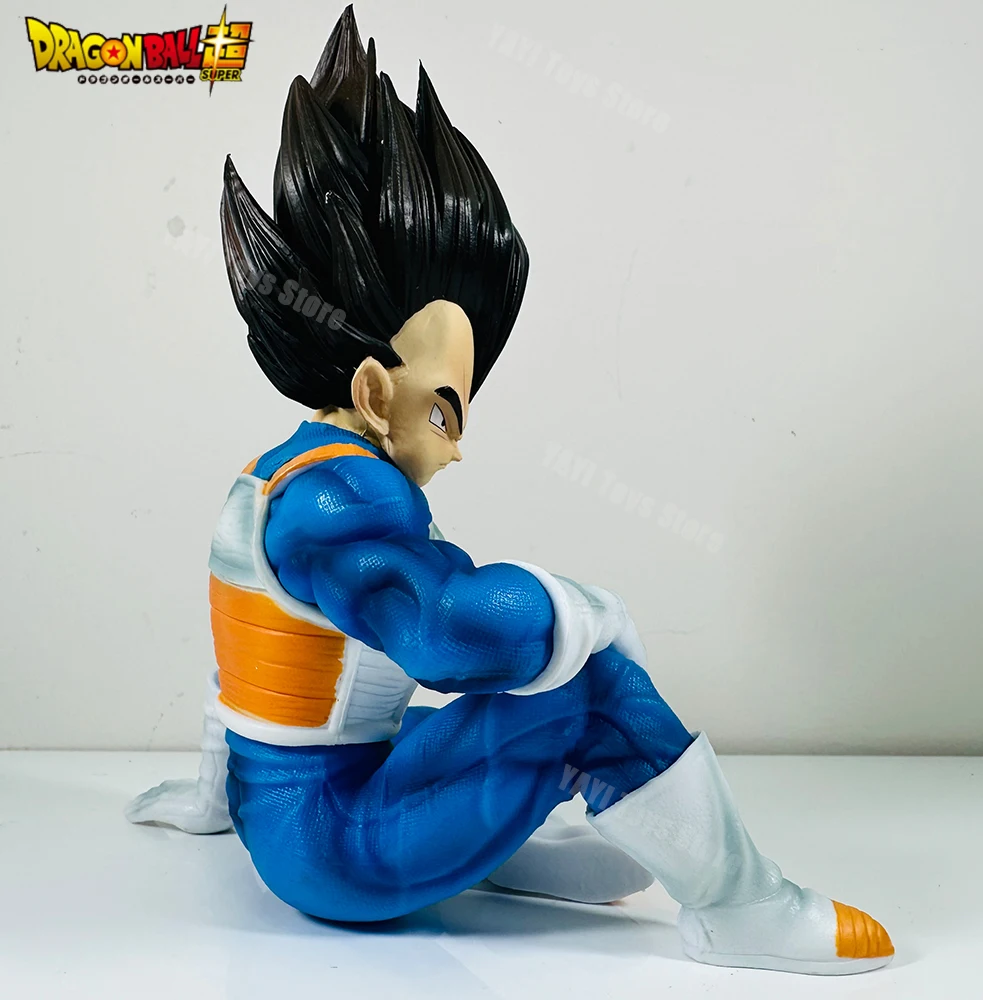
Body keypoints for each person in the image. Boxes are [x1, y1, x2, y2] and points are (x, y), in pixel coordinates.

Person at [127, 6, 893, 975]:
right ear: (374, 392)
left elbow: (240, 678)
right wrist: (584, 612)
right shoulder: (346, 502)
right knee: (592, 692)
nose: (456, 450)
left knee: (453, 716)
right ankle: (748, 908)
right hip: (333, 852)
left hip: (283, 812)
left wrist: (212, 801)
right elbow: (446, 634)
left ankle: (506, 840)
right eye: (445, 413)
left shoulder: (270, 474)